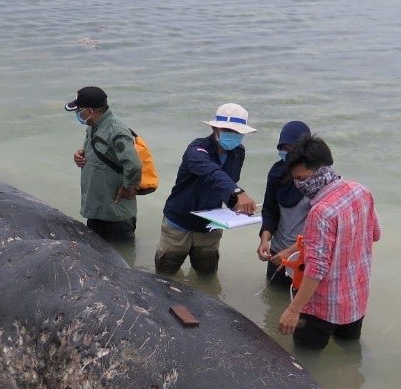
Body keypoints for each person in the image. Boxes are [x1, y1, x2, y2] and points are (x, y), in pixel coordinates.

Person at [276, 137, 380, 350]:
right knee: (350, 356)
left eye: (301, 178)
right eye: (296, 179)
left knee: (306, 363)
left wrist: (294, 310)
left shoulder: (320, 212)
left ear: (320, 171)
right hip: (355, 300)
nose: (299, 185)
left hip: (322, 307)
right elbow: (374, 234)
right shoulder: (361, 191)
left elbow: (316, 269)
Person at [154, 101, 258, 275]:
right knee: (165, 274)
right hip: (179, 223)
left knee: (207, 273)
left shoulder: (238, 152)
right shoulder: (197, 149)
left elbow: (227, 181)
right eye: (228, 131)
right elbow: (212, 173)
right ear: (215, 130)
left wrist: (235, 204)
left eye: (238, 132)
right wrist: (238, 192)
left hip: (211, 225)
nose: (234, 135)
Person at [66, 86, 143, 241]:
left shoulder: (116, 130)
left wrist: (128, 187)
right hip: (97, 207)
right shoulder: (94, 126)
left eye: (79, 110)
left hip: (114, 215)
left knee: (120, 256)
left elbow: (134, 164)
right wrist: (81, 154)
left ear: (90, 111)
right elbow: (104, 152)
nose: (77, 113)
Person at [256, 120, 311, 288]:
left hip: (305, 256)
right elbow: (270, 210)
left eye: (291, 149)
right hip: (277, 252)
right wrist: (264, 239)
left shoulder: (316, 178)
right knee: (273, 300)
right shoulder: (276, 173)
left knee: (300, 306)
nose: (286, 153)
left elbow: (317, 230)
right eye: (282, 148)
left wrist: (291, 251)